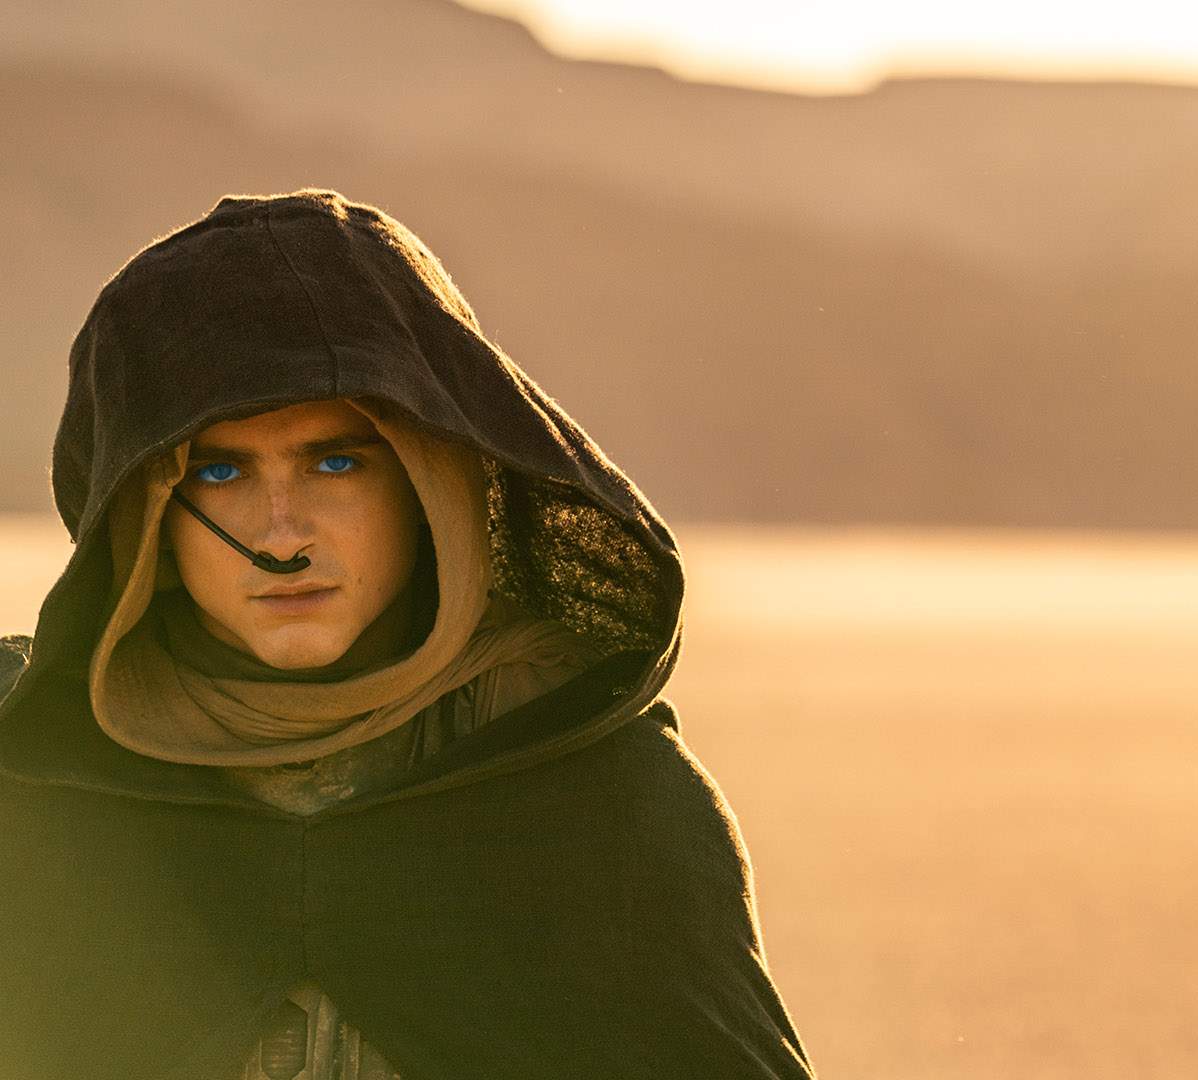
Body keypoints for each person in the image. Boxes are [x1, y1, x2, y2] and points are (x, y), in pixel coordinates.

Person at [0, 189, 816, 1078]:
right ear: (140, 512)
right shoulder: (26, 796)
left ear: (434, 482)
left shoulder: (608, 813)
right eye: (220, 469)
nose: (282, 535)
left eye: (336, 460)